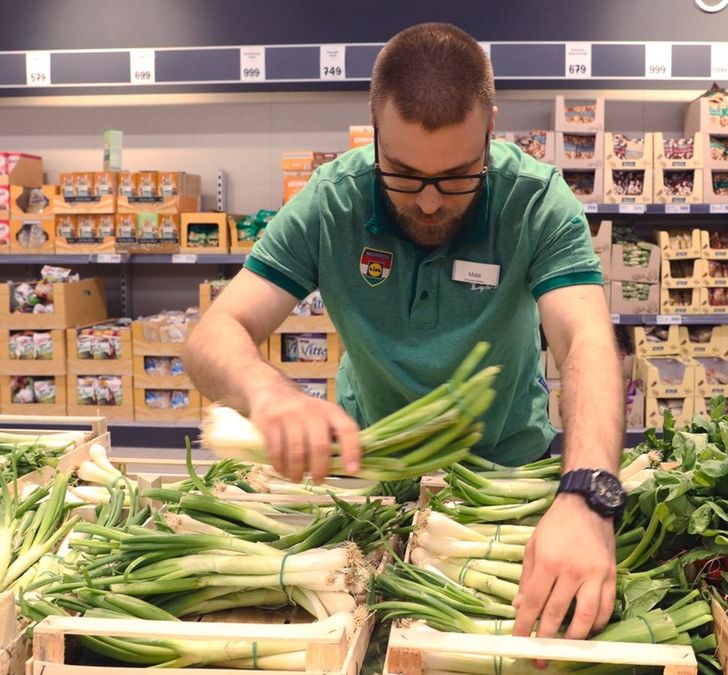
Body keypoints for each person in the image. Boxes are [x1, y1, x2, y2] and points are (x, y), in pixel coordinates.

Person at [184, 22, 624, 645]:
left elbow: (585, 341)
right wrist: (268, 393)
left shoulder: (536, 201)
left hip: (506, 480)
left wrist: (586, 495)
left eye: (457, 176)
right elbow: (215, 332)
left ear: (491, 129)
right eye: (403, 172)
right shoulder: (331, 201)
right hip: (368, 480)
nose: (426, 201)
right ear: (372, 128)